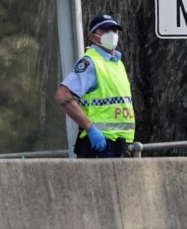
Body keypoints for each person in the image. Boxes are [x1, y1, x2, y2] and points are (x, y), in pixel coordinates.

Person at [54, 14, 136, 158]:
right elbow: (62, 95)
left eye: (114, 30)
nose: (111, 34)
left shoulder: (117, 63)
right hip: (101, 146)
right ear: (92, 37)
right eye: (105, 30)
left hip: (120, 147)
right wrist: (90, 128)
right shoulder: (91, 62)